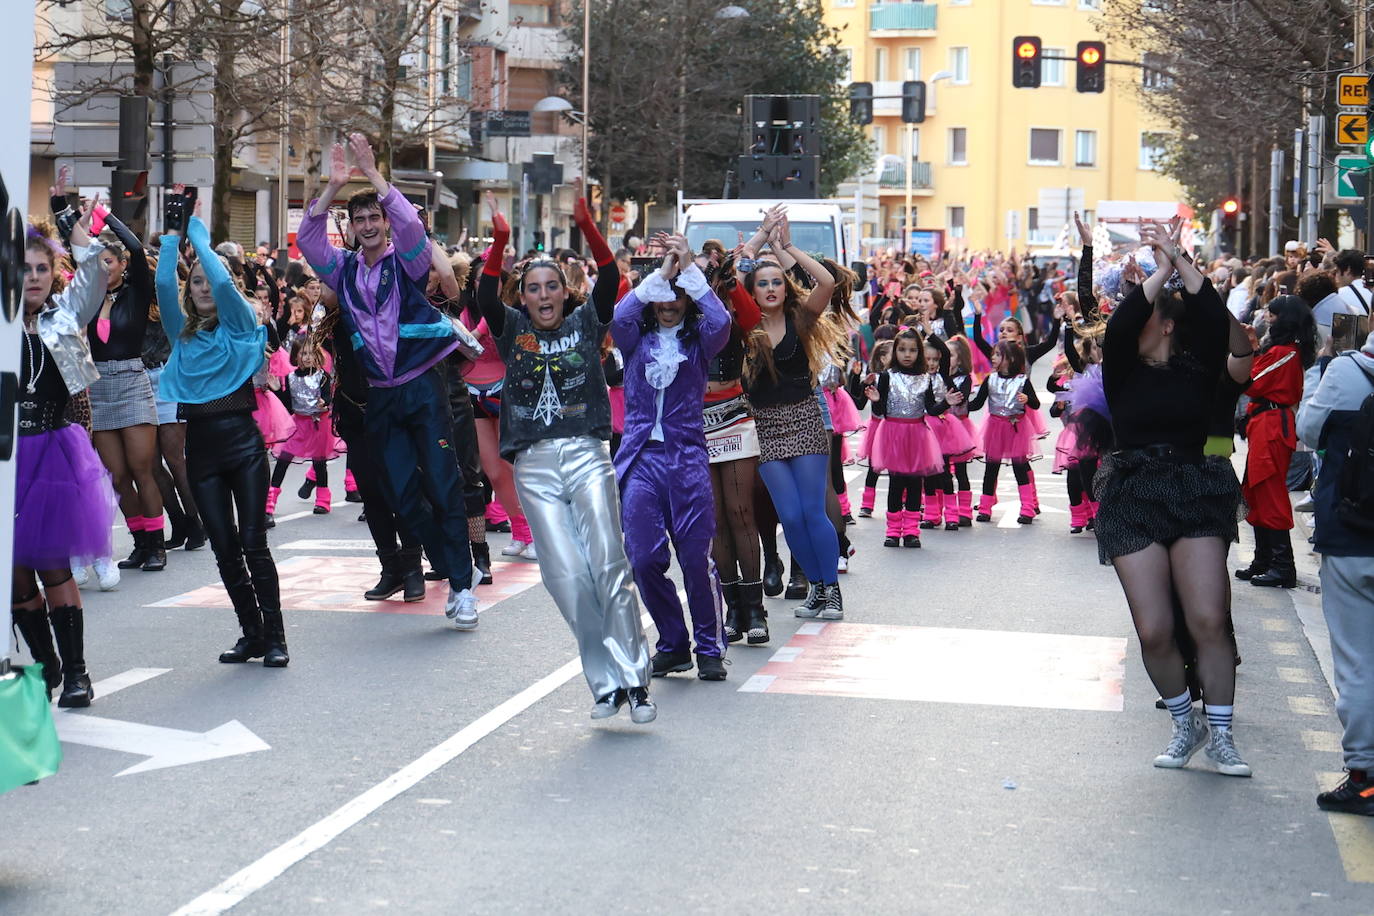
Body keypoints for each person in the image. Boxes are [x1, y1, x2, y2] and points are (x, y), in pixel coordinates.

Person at [479, 190, 656, 723]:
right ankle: (603, 684)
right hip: (533, 464)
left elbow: (608, 279)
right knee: (566, 577)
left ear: (564, 291)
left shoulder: (585, 325)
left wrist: (588, 225)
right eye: (533, 289)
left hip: (586, 453)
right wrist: (501, 242)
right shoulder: (512, 330)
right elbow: (487, 294)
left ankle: (636, 682)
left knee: (609, 564)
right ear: (525, 298)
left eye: (552, 285)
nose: (544, 295)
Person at [297, 135, 477, 626]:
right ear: (352, 229)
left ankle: (461, 588)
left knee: (443, 486)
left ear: (385, 223)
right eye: (360, 220)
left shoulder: (410, 261)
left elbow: (413, 227)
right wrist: (333, 186)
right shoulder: (343, 269)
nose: (370, 225)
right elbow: (307, 241)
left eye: (376, 217)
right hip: (381, 396)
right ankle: (451, 561)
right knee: (401, 495)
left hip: (423, 389)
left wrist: (374, 176)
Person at [1096, 219, 1250, 777]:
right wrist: (1159, 268)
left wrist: (1181, 257)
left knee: (1210, 618)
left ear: (1164, 327)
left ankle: (1225, 736)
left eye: (1150, 318)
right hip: (1134, 491)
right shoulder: (1120, 367)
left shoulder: (1198, 365)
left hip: (1193, 485)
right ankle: (1185, 723)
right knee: (1155, 629)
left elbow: (1212, 319)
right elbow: (1121, 323)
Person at [155, 189, 288, 666]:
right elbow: (164, 290)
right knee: (225, 550)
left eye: (208, 281)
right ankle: (251, 633)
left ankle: (275, 639)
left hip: (245, 448)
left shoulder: (237, 325)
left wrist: (195, 232)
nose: (203, 288)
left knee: (254, 543)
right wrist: (171, 240)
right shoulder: (181, 335)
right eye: (196, 284)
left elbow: (224, 285)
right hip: (203, 455)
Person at [612, 234, 731, 681]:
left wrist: (689, 270)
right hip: (641, 459)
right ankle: (673, 643)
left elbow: (720, 321)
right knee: (643, 558)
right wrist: (661, 274)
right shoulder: (634, 340)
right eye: (664, 295)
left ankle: (708, 646)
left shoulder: (700, 341)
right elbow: (620, 314)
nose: (669, 302)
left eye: (678, 295)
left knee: (695, 559)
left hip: (687, 460)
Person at [13, 205, 116, 707]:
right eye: (23, 267)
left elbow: (97, 267)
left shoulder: (66, 315)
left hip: (52, 456)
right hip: (7, 461)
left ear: (54, 273)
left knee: (52, 566)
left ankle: (77, 672)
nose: (32, 277)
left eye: (41, 268)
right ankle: (44, 664)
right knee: (12, 577)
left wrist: (69, 216)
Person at [739, 208, 842, 618]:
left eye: (776, 281)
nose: (769, 287)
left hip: (803, 419)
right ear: (753, 289)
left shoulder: (801, 318)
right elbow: (727, 276)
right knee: (790, 516)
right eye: (761, 282)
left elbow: (828, 281)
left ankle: (831, 589)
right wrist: (761, 236)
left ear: (785, 288)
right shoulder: (743, 324)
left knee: (812, 510)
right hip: (763, 427)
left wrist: (786, 247)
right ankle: (816, 587)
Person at [1298, 330, 1374, 814]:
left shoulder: (1347, 370)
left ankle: (1365, 778)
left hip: (1352, 533)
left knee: (1358, 662)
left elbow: (1307, 431)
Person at [1234, 295, 1316, 589]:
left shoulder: (1285, 351)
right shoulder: (1285, 350)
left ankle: (1282, 566)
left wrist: (1247, 352)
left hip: (1271, 427)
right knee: (1257, 493)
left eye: (1272, 313)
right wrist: (1255, 347)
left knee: (1269, 494)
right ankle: (1265, 560)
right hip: (1267, 425)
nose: (1266, 316)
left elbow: (1252, 382)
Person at [865, 328, 945, 547]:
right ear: (895, 352)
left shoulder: (924, 378)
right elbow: (881, 410)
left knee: (914, 484)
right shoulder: (887, 376)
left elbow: (931, 408)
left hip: (917, 434)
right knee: (896, 483)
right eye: (902, 350)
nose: (907, 354)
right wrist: (875, 399)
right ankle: (892, 531)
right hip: (893, 433)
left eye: (912, 350)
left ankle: (911, 531)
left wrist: (947, 402)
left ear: (919, 352)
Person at [969, 340, 1041, 524]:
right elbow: (977, 403)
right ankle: (985, 508)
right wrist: (958, 405)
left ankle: (1027, 508)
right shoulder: (990, 379)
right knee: (991, 468)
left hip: (1016, 427)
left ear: (1010, 359)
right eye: (993, 354)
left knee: (1019, 468)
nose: (993, 357)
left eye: (998, 354)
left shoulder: (1022, 380)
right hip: (995, 427)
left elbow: (1036, 403)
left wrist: (1027, 399)